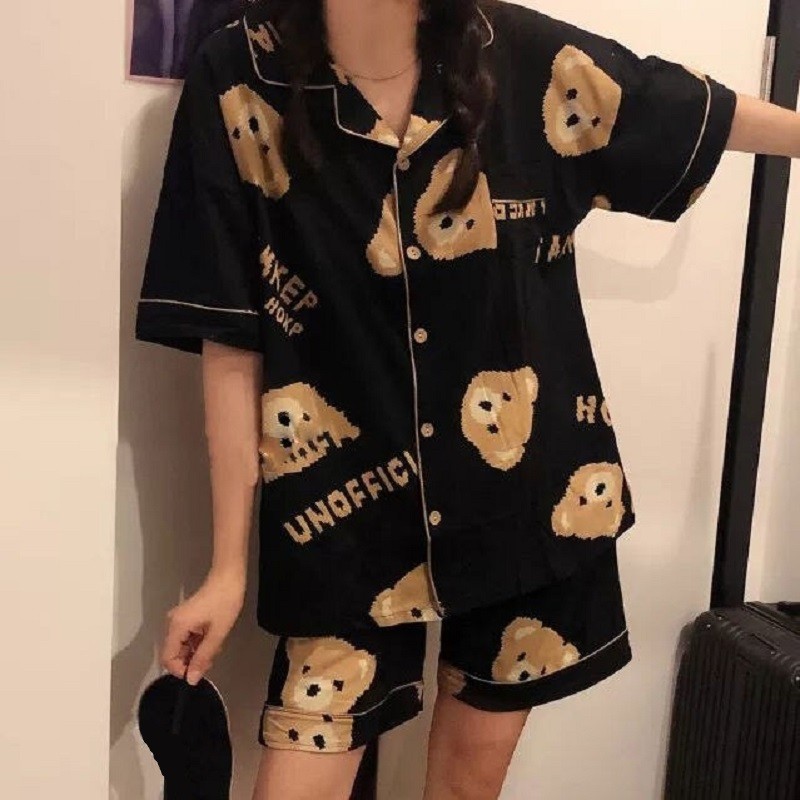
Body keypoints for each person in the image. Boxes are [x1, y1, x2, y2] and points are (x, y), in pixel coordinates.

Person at [134, 1, 800, 797]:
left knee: (464, 788)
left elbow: (683, 106)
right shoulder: (239, 76)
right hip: (339, 513)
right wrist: (226, 570)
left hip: (521, 496)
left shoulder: (517, 54)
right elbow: (231, 338)